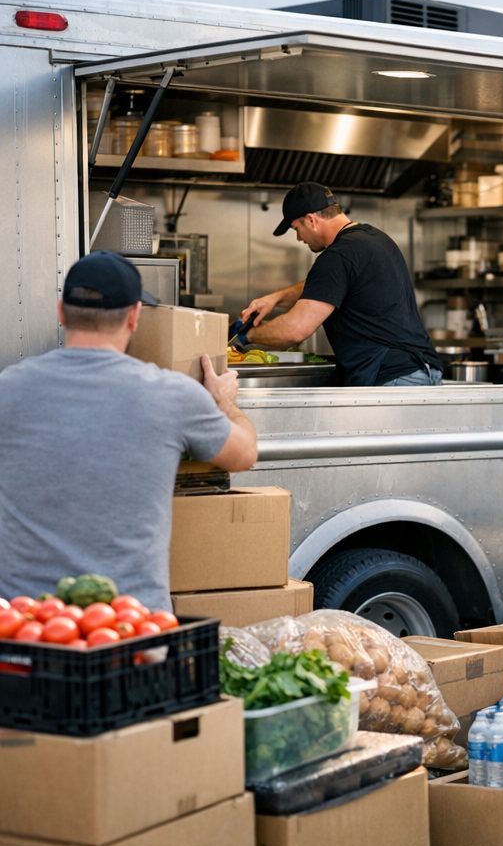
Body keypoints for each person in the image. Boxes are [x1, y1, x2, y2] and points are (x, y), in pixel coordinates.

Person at [0, 251, 258, 612]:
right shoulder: (172, 394)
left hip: (25, 627)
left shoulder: (8, 388)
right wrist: (225, 402)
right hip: (131, 627)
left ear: (62, 312)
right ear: (135, 317)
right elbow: (245, 455)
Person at [237, 182, 443, 386]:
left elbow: (294, 330)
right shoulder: (375, 239)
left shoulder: (337, 256)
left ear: (311, 220)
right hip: (423, 369)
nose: (299, 238)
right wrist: (276, 298)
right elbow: (324, 286)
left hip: (393, 377)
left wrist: (246, 334)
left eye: (296, 228)